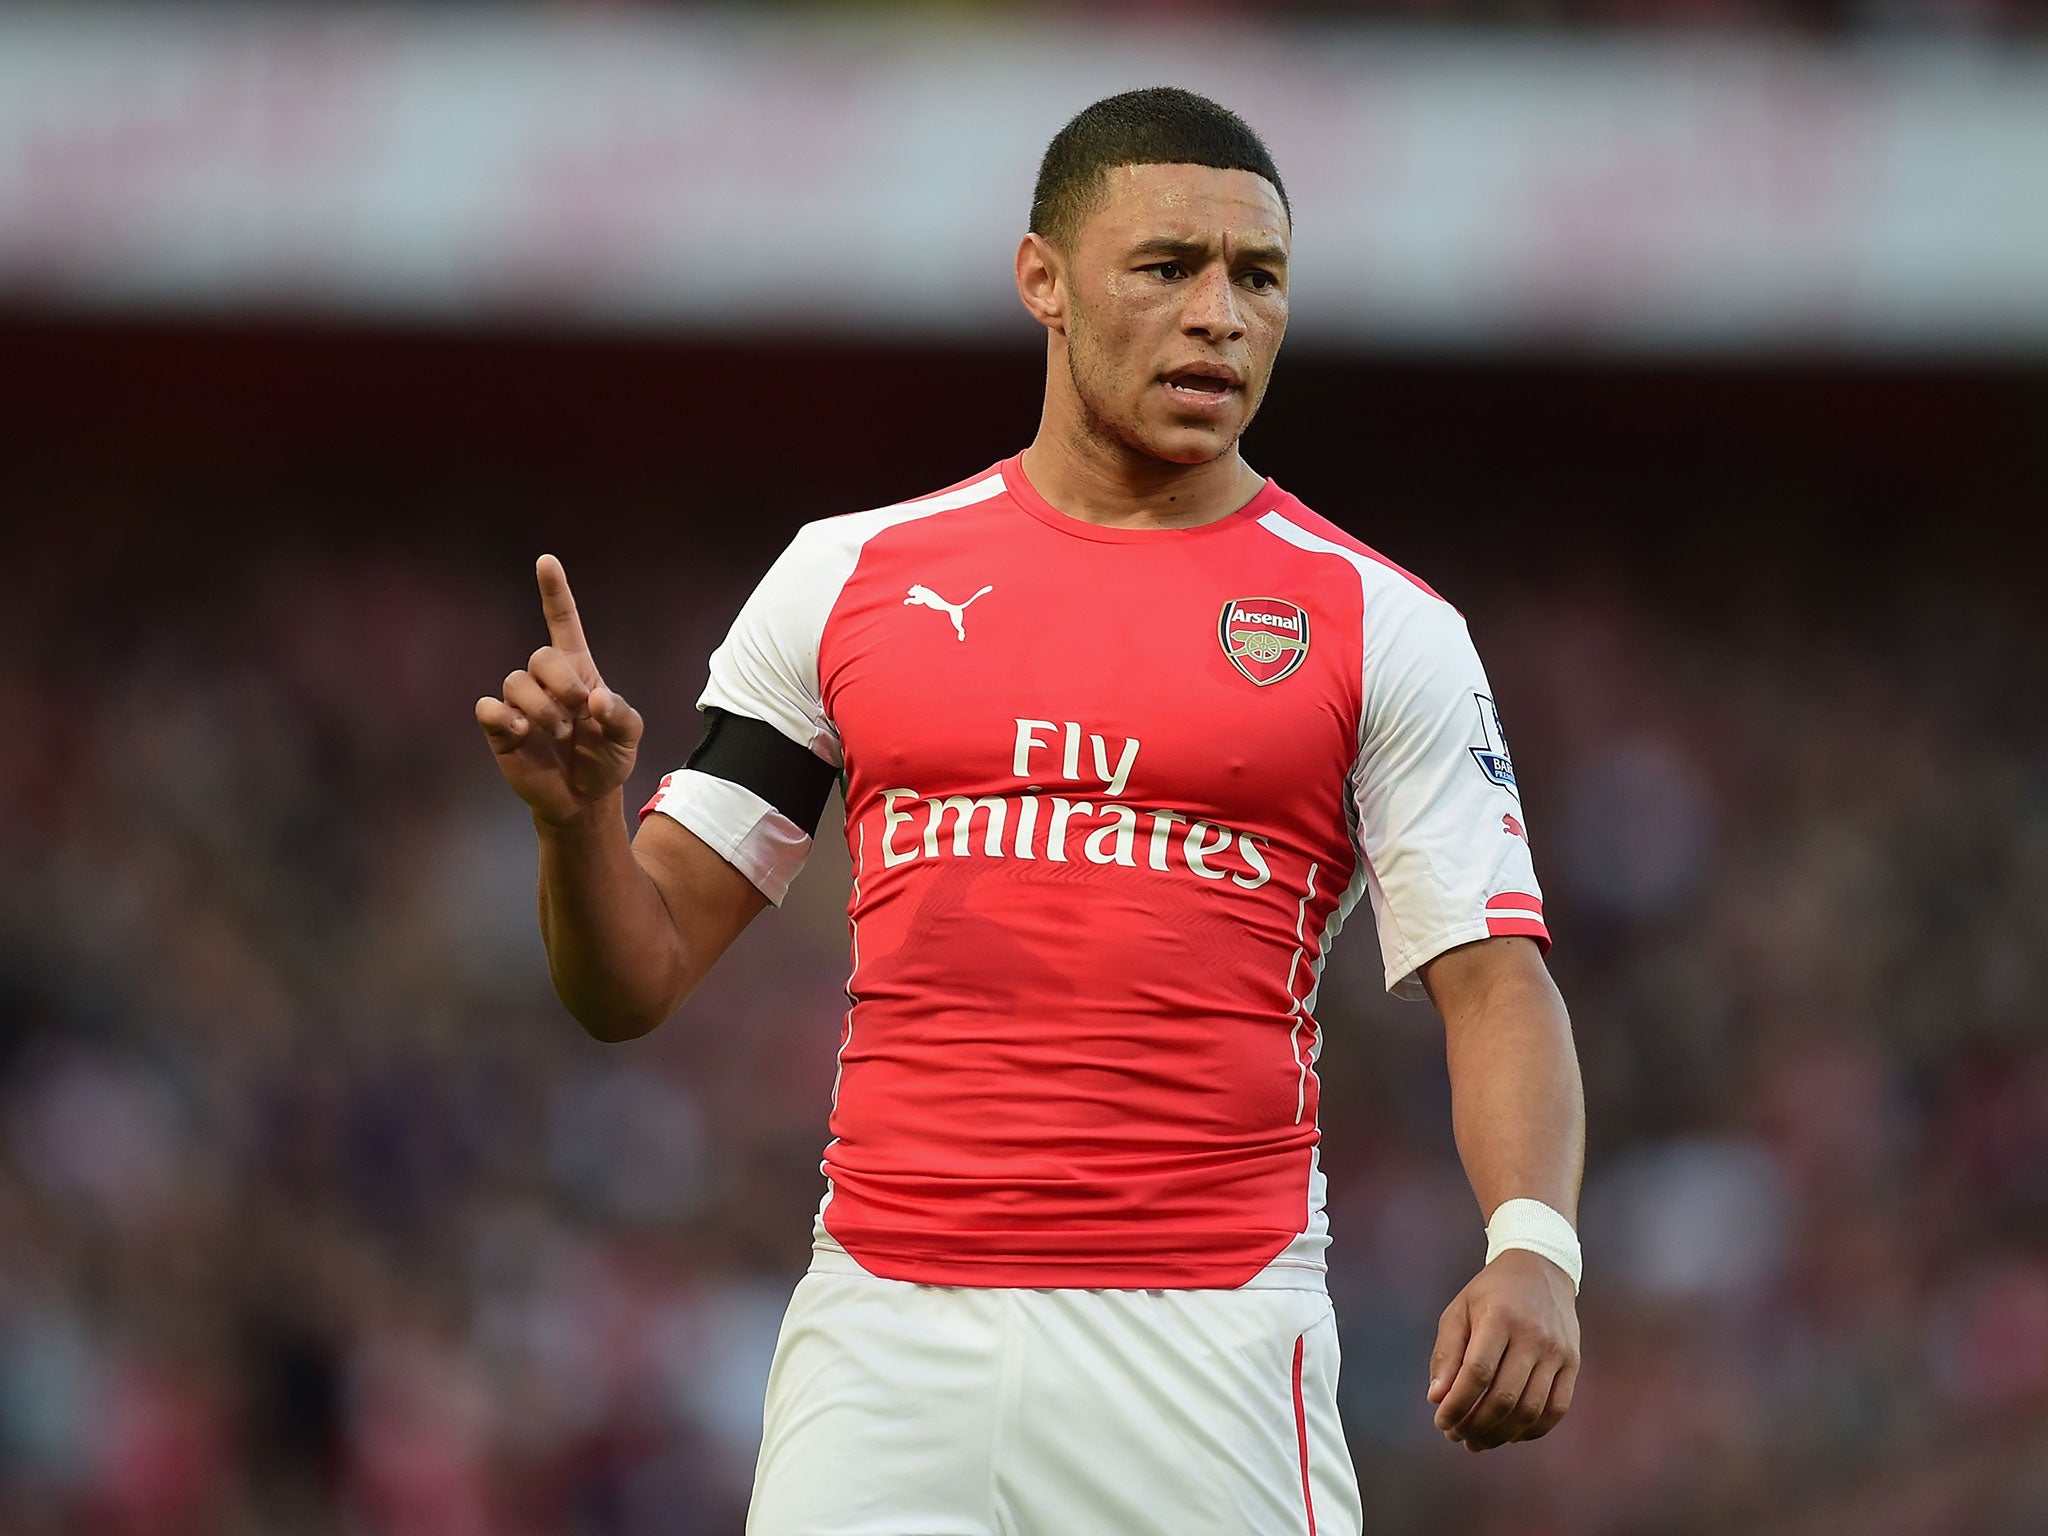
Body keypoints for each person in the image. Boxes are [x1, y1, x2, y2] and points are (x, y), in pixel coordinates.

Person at [476, 86, 1584, 1536]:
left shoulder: (1383, 625)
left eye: (1258, 279)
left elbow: (1496, 980)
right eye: (1167, 266)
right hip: (882, 1338)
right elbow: (634, 982)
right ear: (1042, 282)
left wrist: (1536, 1247)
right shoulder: (847, 575)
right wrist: (578, 825)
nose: (1219, 316)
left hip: (1206, 1344)